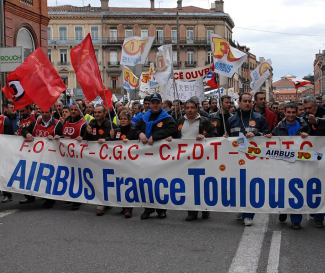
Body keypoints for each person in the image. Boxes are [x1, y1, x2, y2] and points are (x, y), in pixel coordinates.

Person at [168, 98, 217, 221]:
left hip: (202, 158)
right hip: (186, 159)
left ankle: (205, 208)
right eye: (187, 108)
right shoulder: (179, 120)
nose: (190, 110)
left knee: (202, 184)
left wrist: (204, 136)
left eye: (192, 108)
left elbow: (215, 135)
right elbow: (175, 134)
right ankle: (192, 211)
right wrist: (170, 137)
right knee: (189, 184)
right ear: (184, 109)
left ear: (197, 108)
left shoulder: (205, 121)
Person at [226, 93, 269, 226]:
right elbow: (226, 137)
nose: (247, 103)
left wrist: (256, 134)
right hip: (236, 159)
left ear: (252, 103)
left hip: (254, 160)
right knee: (238, 186)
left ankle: (249, 214)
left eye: (249, 101)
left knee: (251, 186)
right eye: (244, 101)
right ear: (239, 102)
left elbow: (267, 134)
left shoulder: (259, 118)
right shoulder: (231, 119)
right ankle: (240, 207)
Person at [266, 102, 309, 229]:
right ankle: (283, 210)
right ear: (284, 112)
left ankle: (296, 220)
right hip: (283, 164)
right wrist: (269, 137)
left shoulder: (304, 126)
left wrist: (307, 137)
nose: (291, 115)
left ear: (297, 113)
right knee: (283, 189)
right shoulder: (278, 128)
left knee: (298, 189)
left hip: (299, 163)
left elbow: (312, 142)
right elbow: (273, 141)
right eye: (288, 112)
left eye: (293, 112)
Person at [135, 93, 177, 220]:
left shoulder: (166, 118)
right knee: (147, 182)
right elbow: (136, 128)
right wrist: (140, 133)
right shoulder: (144, 117)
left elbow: (172, 129)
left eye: (157, 102)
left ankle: (161, 209)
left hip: (161, 157)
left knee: (160, 183)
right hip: (146, 157)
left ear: (161, 103)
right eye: (152, 102)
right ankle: (148, 208)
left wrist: (156, 136)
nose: (154, 105)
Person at [21, 107, 63, 208]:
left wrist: (56, 137)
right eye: (43, 112)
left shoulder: (57, 123)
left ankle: (49, 199)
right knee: (31, 173)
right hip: (36, 154)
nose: (44, 114)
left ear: (51, 113)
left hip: (50, 155)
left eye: (47, 112)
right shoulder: (36, 122)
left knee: (48, 176)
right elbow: (25, 129)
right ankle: (30, 196)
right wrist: (27, 133)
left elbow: (62, 136)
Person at [82, 105, 116, 216]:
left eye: (99, 112)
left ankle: (108, 200)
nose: (96, 114)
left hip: (109, 159)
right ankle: (100, 205)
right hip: (95, 159)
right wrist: (86, 133)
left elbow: (119, 141)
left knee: (109, 180)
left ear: (105, 113)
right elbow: (85, 140)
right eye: (95, 112)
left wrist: (108, 139)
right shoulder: (90, 125)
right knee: (98, 180)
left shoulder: (112, 126)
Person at [110, 109, 139, 218]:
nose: (122, 121)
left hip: (129, 162)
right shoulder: (116, 130)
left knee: (128, 184)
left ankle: (129, 208)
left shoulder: (133, 131)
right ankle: (123, 206)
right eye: (121, 119)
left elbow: (138, 145)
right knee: (120, 183)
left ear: (130, 120)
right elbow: (111, 144)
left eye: (125, 119)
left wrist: (130, 142)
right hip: (118, 161)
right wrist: (110, 138)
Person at [302, 96, 325, 227]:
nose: (307, 110)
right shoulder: (304, 116)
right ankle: (315, 210)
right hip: (312, 157)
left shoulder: (321, 114)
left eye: (309, 108)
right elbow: (303, 129)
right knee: (314, 184)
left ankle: (319, 216)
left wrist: (315, 122)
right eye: (305, 108)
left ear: (316, 107)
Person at [0, 113, 14, 203]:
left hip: (2, 149)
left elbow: (8, 136)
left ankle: (7, 194)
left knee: (3, 171)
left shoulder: (4, 119)